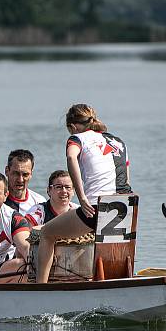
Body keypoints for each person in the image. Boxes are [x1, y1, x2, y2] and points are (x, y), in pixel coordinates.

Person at [36, 104, 131, 284]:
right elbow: (126, 174)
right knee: (112, 249)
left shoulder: (76, 138)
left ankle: (40, 288)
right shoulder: (118, 141)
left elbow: (71, 157)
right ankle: (112, 282)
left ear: (72, 127)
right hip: (126, 206)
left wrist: (81, 197)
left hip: (98, 206)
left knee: (47, 234)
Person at [4, 149, 45, 214]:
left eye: (25, 174)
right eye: (16, 173)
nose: (20, 180)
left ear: (31, 174)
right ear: (7, 171)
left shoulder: (39, 202)